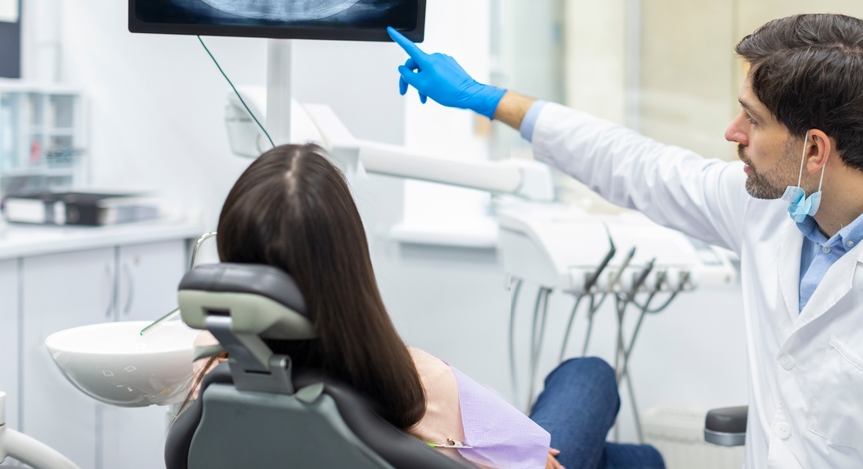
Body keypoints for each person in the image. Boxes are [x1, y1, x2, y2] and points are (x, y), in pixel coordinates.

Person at [388, 14, 863, 468]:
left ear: (815, 149)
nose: (731, 132)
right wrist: (489, 100)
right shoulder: (776, 209)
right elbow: (637, 166)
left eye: (753, 119)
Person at [193, 143, 665, 469]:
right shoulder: (413, 383)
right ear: (348, 264)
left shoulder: (210, 388)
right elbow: (538, 458)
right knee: (588, 374)